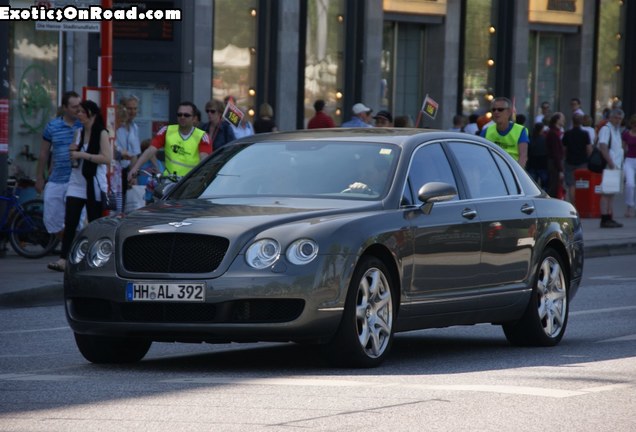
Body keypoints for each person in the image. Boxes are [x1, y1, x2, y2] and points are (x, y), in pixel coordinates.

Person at [48, 100, 112, 272]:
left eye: (82, 112)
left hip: (95, 184)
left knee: (94, 223)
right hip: (76, 183)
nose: (79, 115)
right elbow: (74, 158)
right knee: (70, 222)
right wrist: (72, 152)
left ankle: (95, 259)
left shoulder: (102, 133)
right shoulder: (79, 132)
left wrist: (83, 154)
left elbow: (107, 158)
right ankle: (64, 259)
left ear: (91, 113)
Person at [35, 90, 82, 240]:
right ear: (64, 107)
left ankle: (70, 249)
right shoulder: (52, 126)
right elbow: (44, 153)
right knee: (53, 218)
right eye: (74, 107)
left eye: (79, 106)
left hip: (77, 180)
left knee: (77, 221)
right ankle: (63, 245)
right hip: (56, 178)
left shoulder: (83, 125)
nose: (78, 109)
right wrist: (40, 177)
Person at [128, 101, 211, 181]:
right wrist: (135, 168)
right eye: (179, 115)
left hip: (189, 183)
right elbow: (150, 150)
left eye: (186, 115)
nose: (182, 117)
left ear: (194, 118)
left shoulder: (202, 136)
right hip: (169, 182)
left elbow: (204, 158)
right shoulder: (167, 131)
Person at [480, 97, 529, 168]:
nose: (496, 112)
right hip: (491, 172)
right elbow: (480, 155)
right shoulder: (486, 131)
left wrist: (516, 175)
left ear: (509, 112)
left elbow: (523, 156)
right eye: (493, 110)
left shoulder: (520, 130)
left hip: (512, 171)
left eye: (500, 109)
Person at [598, 108, 625, 228]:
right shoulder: (606, 129)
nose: (618, 120)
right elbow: (603, 146)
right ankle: (604, 218)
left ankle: (609, 216)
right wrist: (611, 163)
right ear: (610, 117)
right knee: (606, 192)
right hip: (610, 165)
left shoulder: (616, 130)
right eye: (616, 117)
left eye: (620, 118)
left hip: (616, 165)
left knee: (612, 192)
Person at [116, 95, 141, 211]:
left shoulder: (134, 127)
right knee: (116, 205)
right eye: (130, 108)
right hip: (115, 170)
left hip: (127, 171)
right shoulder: (116, 126)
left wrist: (133, 174)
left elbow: (135, 153)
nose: (133, 112)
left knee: (127, 206)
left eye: (135, 108)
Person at [563, 114, 592, 205]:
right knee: (582, 183)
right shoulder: (585, 134)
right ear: (581, 122)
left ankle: (573, 204)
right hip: (582, 162)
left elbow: (564, 148)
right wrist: (589, 159)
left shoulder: (567, 133)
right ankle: (581, 203)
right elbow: (589, 148)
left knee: (571, 185)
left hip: (570, 161)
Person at [545, 112, 566, 198]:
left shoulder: (555, 132)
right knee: (554, 186)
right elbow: (555, 152)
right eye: (562, 119)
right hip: (554, 164)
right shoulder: (553, 133)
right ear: (557, 120)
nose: (564, 121)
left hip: (554, 162)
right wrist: (560, 169)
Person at [621, 114, 636, 218]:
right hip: (629, 160)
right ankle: (629, 207)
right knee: (630, 184)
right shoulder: (626, 134)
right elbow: (622, 148)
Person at [526, 122, 549, 189]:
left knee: (533, 184)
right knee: (544, 184)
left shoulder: (531, 139)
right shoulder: (544, 139)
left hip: (532, 164)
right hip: (542, 164)